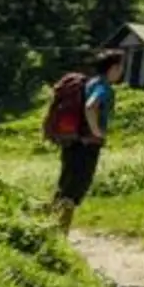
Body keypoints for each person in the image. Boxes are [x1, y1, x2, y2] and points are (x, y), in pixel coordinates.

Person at [49, 49, 123, 234]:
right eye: (121, 67)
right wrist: (97, 131)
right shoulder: (103, 87)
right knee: (75, 189)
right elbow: (91, 106)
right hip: (87, 145)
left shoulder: (88, 82)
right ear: (113, 68)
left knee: (65, 185)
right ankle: (59, 234)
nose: (121, 71)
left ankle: (49, 229)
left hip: (72, 142)